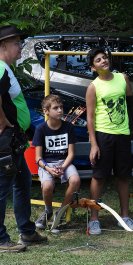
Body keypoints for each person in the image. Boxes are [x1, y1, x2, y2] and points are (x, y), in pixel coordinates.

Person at [0, 25, 47, 252]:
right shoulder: (0, 69)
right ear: (4, 45)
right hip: (4, 137)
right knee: (1, 187)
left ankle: (26, 232)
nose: (21, 47)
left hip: (10, 138)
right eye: (18, 43)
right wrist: (1, 117)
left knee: (22, 182)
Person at [85, 48, 133, 234]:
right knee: (99, 176)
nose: (103, 61)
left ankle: (124, 217)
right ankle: (94, 220)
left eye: (105, 57)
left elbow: (131, 102)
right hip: (103, 136)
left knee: (123, 176)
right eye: (98, 60)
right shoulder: (93, 87)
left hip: (123, 135)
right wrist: (94, 144)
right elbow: (91, 118)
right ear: (93, 67)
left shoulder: (122, 78)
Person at [32, 94, 81, 233]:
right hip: (47, 164)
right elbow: (38, 158)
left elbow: (71, 154)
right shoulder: (41, 129)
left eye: (61, 107)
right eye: (55, 108)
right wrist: (49, 168)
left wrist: (63, 167)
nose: (60, 110)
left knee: (76, 180)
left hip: (64, 163)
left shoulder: (68, 127)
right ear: (46, 111)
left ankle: (59, 215)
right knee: (47, 186)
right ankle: (48, 211)